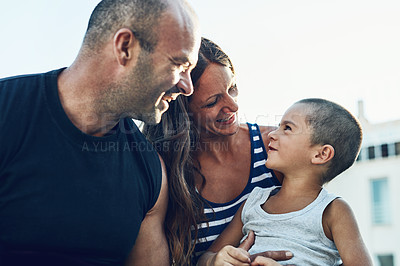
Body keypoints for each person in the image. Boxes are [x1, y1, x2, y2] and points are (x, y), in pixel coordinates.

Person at [0, 0, 200, 265]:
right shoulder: (7, 111)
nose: (188, 88)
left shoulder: (150, 171)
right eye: (180, 65)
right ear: (125, 47)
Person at [143, 38, 291, 265]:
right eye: (212, 102)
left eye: (232, 88)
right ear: (183, 113)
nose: (233, 106)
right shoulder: (164, 174)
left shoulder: (273, 146)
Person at [197, 98, 373, 266]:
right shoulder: (254, 202)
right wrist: (216, 261)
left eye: (287, 128)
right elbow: (206, 258)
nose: (272, 134)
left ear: (321, 154)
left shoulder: (334, 211)